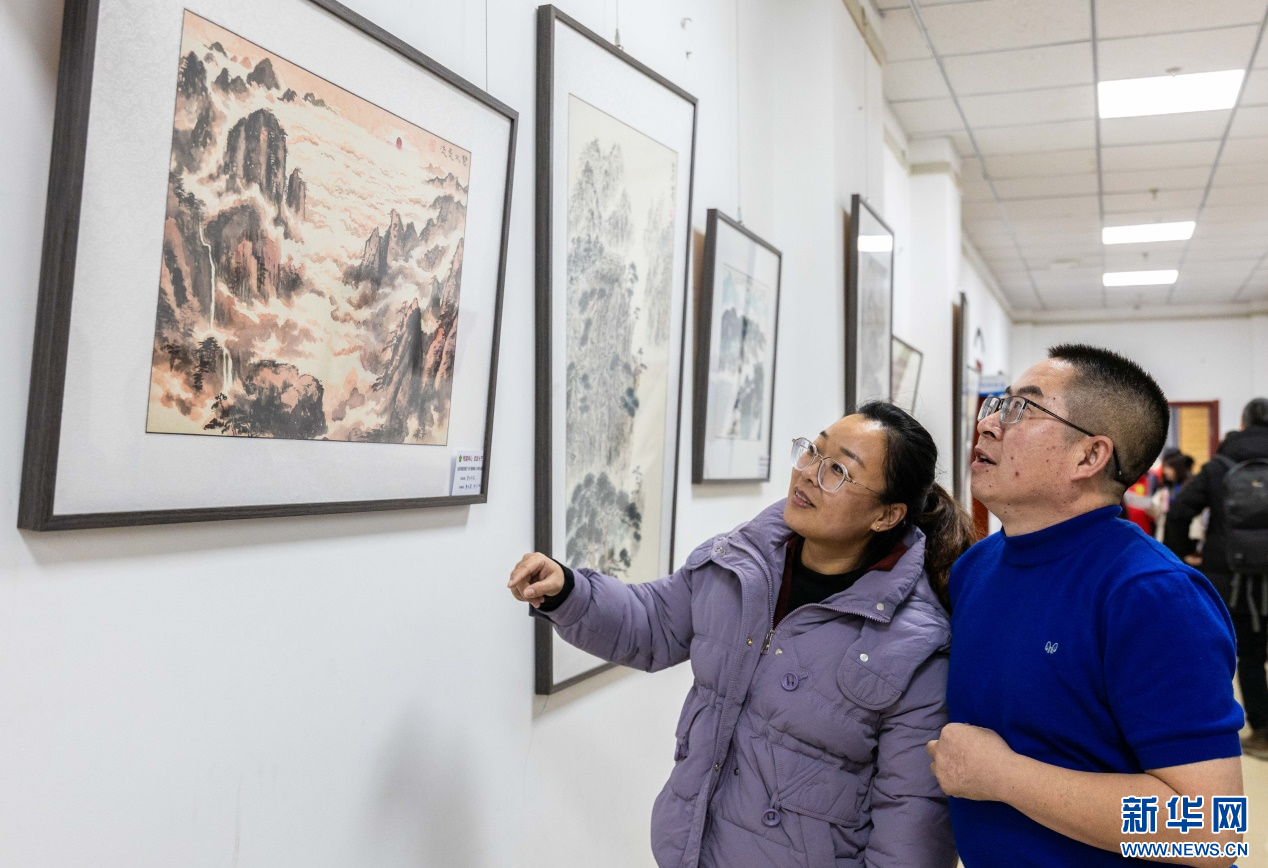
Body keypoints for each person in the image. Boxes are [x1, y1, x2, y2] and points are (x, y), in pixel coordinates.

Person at [508, 402, 975, 867]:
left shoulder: (915, 645)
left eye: (838, 470)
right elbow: (653, 623)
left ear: (887, 516)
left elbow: (910, 829)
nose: (808, 473)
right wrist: (568, 592)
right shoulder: (744, 562)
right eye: (813, 451)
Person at [928, 344, 1244, 866]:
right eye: (997, 404)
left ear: (1089, 456)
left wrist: (1003, 777)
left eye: (1021, 409)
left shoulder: (1151, 594)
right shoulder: (976, 567)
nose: (987, 425)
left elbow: (1212, 831)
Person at [1167, 398, 1268, 759]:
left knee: (1242, 655)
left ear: (1242, 424)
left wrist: (1182, 556)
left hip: (1229, 580)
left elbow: (1179, 512)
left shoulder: (1219, 467)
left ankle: (1256, 732)